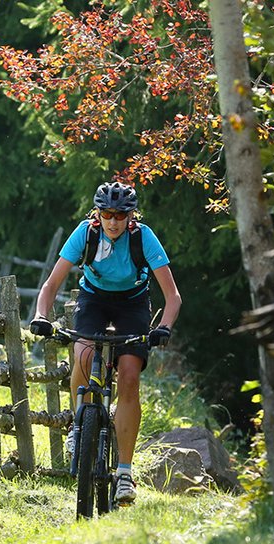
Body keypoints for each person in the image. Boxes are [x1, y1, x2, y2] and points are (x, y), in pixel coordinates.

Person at [28, 181, 181, 505]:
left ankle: (124, 473)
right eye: (107, 214)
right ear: (97, 214)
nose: (113, 221)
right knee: (83, 353)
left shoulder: (143, 237)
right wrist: (42, 315)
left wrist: (164, 328)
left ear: (130, 216)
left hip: (133, 304)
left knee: (129, 376)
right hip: (94, 300)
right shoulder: (86, 234)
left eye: (120, 215)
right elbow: (51, 284)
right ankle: (79, 423)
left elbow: (173, 297)